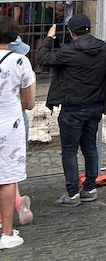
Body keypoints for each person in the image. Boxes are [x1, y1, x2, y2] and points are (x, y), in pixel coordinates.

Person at [38, 13, 106, 205]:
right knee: (90, 147)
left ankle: (73, 193)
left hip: (73, 108)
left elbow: (43, 58)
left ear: (70, 32)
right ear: (88, 29)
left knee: (69, 151)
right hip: (95, 106)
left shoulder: (70, 51)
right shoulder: (105, 47)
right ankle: (90, 189)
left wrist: (49, 38)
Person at [0, 18, 35, 249]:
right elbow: (29, 102)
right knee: (7, 178)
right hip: (8, 124)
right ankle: (7, 232)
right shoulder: (20, 62)